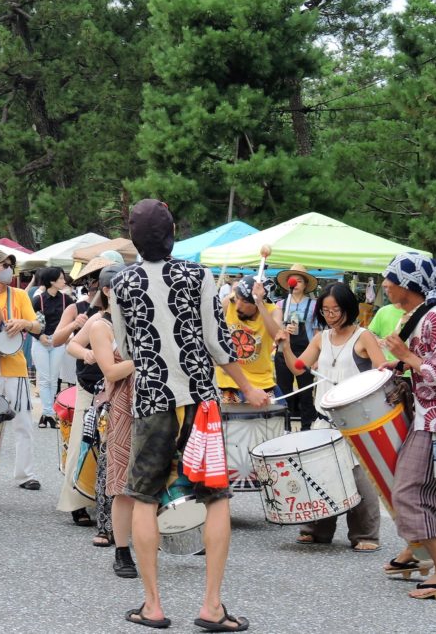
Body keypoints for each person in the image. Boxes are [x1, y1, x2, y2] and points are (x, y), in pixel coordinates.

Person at [110, 199, 268, 630]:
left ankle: (153, 606)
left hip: (152, 399)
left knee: (144, 498)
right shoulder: (198, 275)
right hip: (200, 400)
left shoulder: (121, 282)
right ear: (172, 232)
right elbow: (217, 344)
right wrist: (249, 387)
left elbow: (125, 347)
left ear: (134, 238)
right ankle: (212, 606)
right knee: (215, 497)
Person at [380, 252, 436, 600]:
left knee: (411, 491)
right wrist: (399, 365)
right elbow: (431, 362)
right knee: (430, 491)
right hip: (434, 419)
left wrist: (405, 356)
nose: (385, 285)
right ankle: (415, 552)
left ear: (408, 285)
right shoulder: (423, 315)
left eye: (390, 279)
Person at [275, 282, 384, 551]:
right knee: (320, 475)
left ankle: (365, 534)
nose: (331, 315)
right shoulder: (320, 338)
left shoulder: (363, 337)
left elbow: (382, 372)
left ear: (348, 308)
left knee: (359, 479)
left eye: (336, 310)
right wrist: (286, 347)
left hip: (356, 421)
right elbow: (298, 368)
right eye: (325, 310)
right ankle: (316, 530)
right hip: (324, 420)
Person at [67, 263, 137, 578]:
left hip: (143, 400)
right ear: (108, 291)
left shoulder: (139, 318)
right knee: (112, 467)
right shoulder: (99, 322)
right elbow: (71, 344)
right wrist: (86, 354)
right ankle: (109, 530)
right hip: (109, 396)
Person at [0, 247, 44, 491]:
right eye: (4, 265)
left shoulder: (19, 295)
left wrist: (24, 323)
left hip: (16, 367)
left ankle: (25, 475)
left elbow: (38, 326)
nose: (9, 270)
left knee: (23, 423)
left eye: (10, 266)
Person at [52, 260, 107, 533]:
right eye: (95, 279)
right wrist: (75, 323)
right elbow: (57, 339)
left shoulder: (122, 309)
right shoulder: (78, 308)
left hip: (116, 383)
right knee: (81, 441)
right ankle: (77, 501)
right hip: (88, 382)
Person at [219, 275, 282, 403]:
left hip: (260, 382)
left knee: (277, 413)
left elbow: (278, 337)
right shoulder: (228, 302)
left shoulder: (273, 311)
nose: (238, 306)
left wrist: (260, 304)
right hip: (229, 380)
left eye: (246, 302)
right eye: (237, 298)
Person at [273, 264, 319, 429]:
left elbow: (317, 332)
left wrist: (317, 357)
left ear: (305, 284)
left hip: (306, 352)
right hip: (283, 352)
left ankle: (306, 427)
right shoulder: (280, 305)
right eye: (293, 280)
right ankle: (284, 427)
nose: (296, 283)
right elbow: (275, 329)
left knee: (306, 392)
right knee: (284, 391)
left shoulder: (314, 305)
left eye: (300, 281)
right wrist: (283, 329)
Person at [32, 267, 72, 429]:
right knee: (44, 378)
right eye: (61, 278)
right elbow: (29, 321)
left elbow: (73, 319)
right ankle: (49, 413)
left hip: (57, 342)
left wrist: (67, 335)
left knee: (53, 378)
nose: (64, 281)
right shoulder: (38, 299)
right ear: (52, 281)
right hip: (40, 341)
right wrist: (39, 336)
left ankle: (48, 414)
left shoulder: (67, 300)